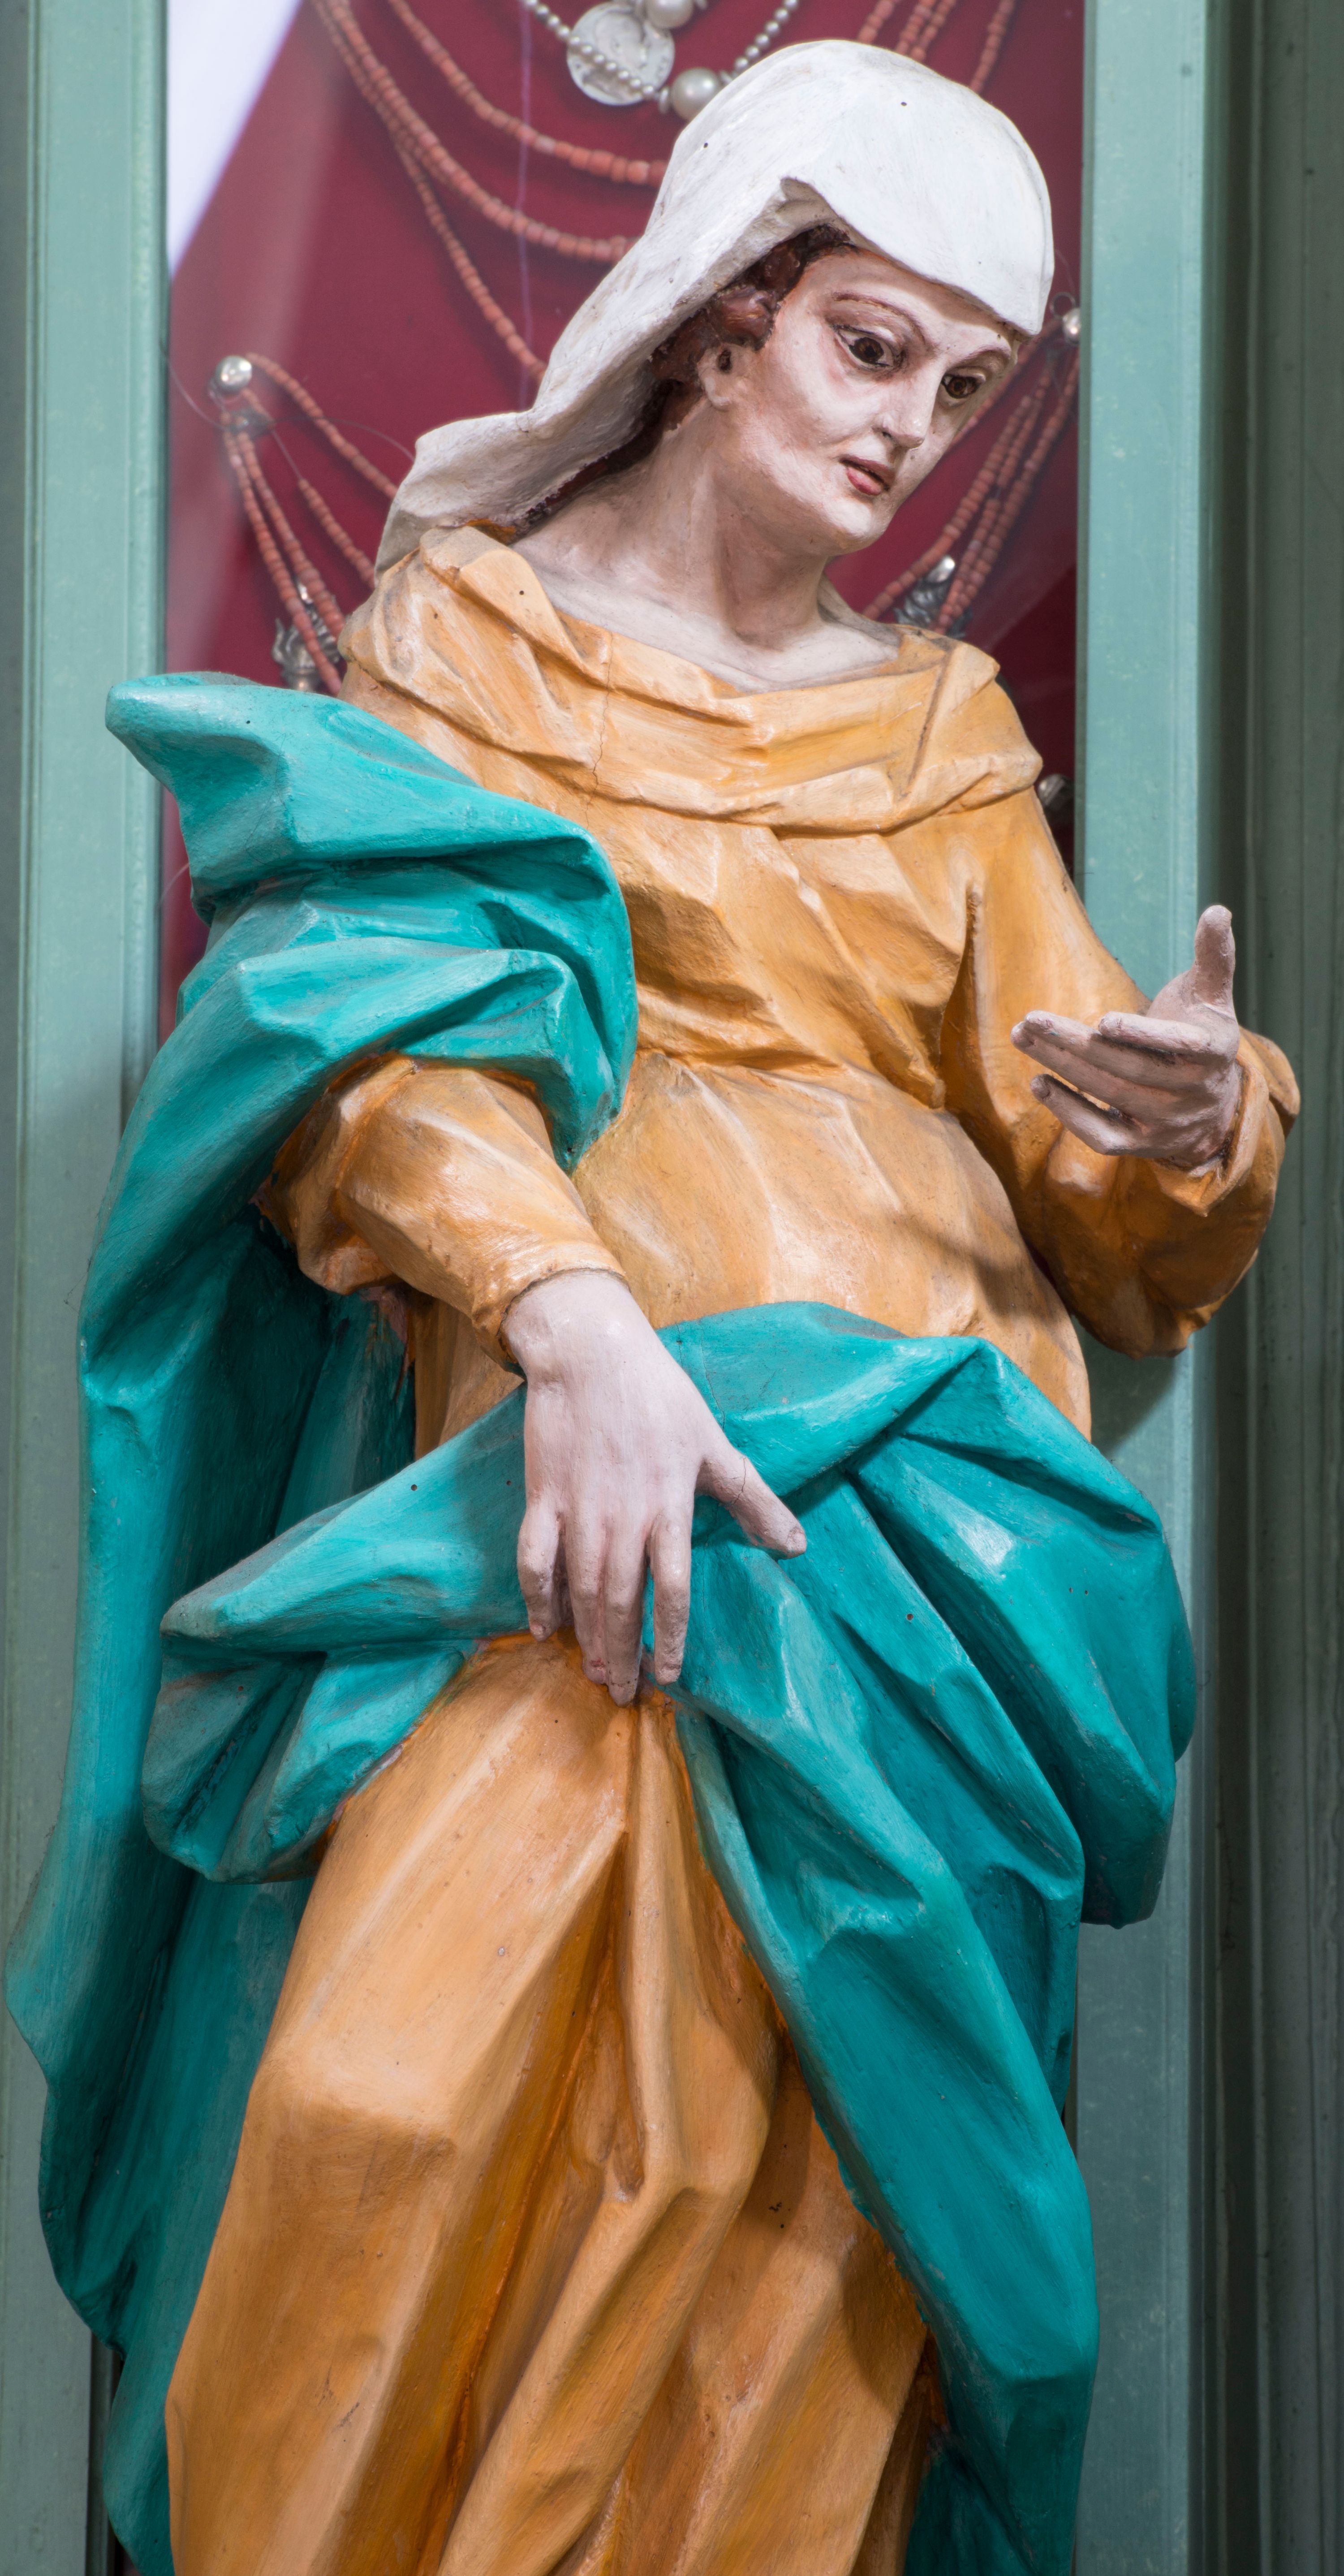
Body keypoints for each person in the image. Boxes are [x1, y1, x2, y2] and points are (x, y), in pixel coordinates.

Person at [7, 42, 1297, 2576]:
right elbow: (364, 1045)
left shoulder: (935, 736)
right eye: (867, 345)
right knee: (374, 2109)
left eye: (961, 386)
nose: (909, 428)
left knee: (786, 2188)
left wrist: (1190, 1116)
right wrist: (571, 1317)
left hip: (890, 1535)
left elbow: (1085, 1166)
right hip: (552, 1484)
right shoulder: (467, 644)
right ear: (721, 321)